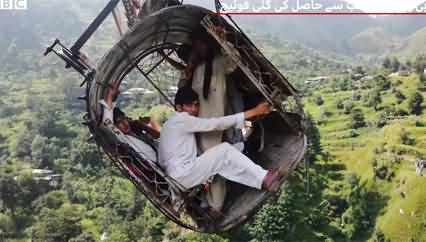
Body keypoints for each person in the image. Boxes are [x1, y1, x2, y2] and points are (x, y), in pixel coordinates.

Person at [158, 87, 281, 212]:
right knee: (225, 150)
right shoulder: (181, 119)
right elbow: (215, 124)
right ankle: (264, 177)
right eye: (189, 106)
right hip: (182, 174)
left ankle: (259, 182)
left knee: (228, 158)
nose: (194, 109)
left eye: (196, 105)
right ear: (179, 108)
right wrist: (253, 112)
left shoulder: (168, 126)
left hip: (177, 178)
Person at [100, 83, 161, 162]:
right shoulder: (122, 138)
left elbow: (158, 136)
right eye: (119, 122)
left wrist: (142, 126)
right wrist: (109, 96)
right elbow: (107, 123)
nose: (124, 124)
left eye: (124, 119)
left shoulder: (134, 133)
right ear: (115, 126)